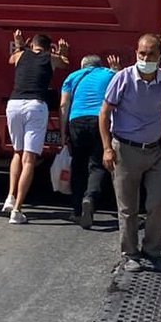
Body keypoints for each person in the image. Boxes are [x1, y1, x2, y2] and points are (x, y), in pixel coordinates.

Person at [100, 33, 161, 273]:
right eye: (142, 53)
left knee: (159, 203)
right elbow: (104, 113)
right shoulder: (123, 79)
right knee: (128, 207)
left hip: (156, 151)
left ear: (159, 56)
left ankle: (153, 251)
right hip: (125, 151)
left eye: (151, 54)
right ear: (136, 53)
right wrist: (107, 148)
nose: (145, 58)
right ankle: (130, 254)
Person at [4, 29, 71, 225]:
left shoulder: (20, 54)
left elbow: (11, 60)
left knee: (17, 152)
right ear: (48, 47)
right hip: (35, 105)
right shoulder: (51, 57)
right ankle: (17, 210)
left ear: (32, 44)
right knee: (29, 159)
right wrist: (64, 51)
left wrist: (18, 44)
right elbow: (65, 64)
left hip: (13, 103)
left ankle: (10, 196)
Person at [60, 53, 121, 229]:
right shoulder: (109, 74)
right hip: (99, 121)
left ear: (83, 66)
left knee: (78, 165)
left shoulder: (72, 76)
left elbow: (64, 105)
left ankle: (77, 211)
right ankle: (91, 197)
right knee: (97, 163)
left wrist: (63, 131)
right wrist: (116, 70)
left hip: (76, 120)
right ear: (99, 64)